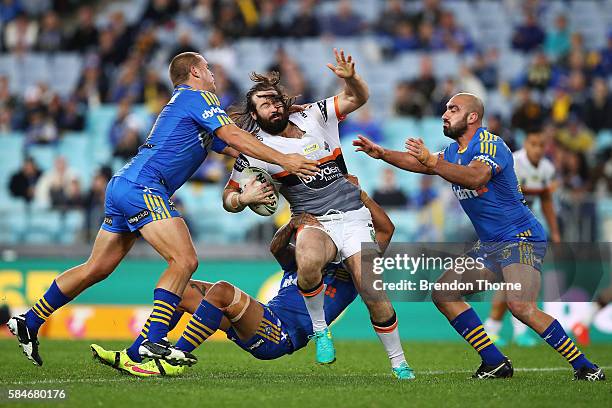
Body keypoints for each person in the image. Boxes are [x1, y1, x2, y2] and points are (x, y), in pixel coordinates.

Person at [7, 52, 319, 367]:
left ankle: (30, 321)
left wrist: (289, 117)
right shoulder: (196, 97)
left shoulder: (190, 107)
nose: (212, 75)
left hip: (125, 184)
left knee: (96, 268)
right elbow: (233, 135)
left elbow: (240, 141)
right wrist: (286, 160)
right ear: (196, 72)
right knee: (184, 260)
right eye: (208, 69)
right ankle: (153, 341)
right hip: (145, 185)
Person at [353, 93, 605, 381]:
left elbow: (476, 178)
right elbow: (423, 164)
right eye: (446, 109)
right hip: (491, 244)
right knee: (444, 293)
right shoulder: (452, 152)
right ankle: (494, 361)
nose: (445, 114)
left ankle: (586, 367)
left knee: (521, 306)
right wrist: (383, 153)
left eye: (453, 109)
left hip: (520, 237)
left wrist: (432, 163)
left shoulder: (490, 144)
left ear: (472, 117)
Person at [91, 175, 414, 380]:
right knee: (182, 288)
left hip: (279, 336)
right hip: (261, 317)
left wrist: (361, 198)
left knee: (221, 291)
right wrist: (293, 223)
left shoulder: (349, 274)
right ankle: (140, 352)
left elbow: (386, 229)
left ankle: (174, 355)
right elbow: (276, 249)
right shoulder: (307, 263)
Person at [222, 49, 412, 378]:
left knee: (374, 294)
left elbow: (358, 97)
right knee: (307, 261)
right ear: (255, 114)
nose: (274, 105)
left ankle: (399, 363)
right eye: (265, 103)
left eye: (275, 99)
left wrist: (350, 78)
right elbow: (228, 198)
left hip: (353, 216)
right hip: (313, 221)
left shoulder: (315, 115)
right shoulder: (256, 149)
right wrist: (243, 198)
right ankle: (322, 331)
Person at [484, 130, 561, 347]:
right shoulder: (513, 161)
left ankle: (503, 329)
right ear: (526, 143)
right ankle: (498, 328)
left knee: (516, 278)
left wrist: (554, 231)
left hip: (525, 228)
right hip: (502, 225)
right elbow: (511, 190)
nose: (537, 149)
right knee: (512, 278)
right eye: (533, 144)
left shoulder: (547, 168)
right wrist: (543, 189)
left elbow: (546, 201)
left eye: (541, 145)